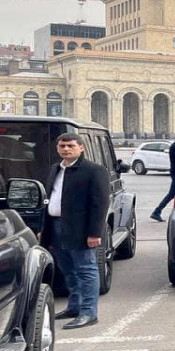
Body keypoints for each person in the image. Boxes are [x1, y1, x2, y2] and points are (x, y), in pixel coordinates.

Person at [44, 133, 110, 330]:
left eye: (71, 145)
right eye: (62, 146)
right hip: (55, 226)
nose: (66, 149)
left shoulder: (94, 171)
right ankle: (75, 307)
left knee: (86, 269)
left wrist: (94, 233)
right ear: (57, 148)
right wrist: (42, 229)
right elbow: (50, 198)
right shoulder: (55, 169)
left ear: (81, 148)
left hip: (80, 229)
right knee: (67, 269)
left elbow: (100, 204)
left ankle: (89, 313)